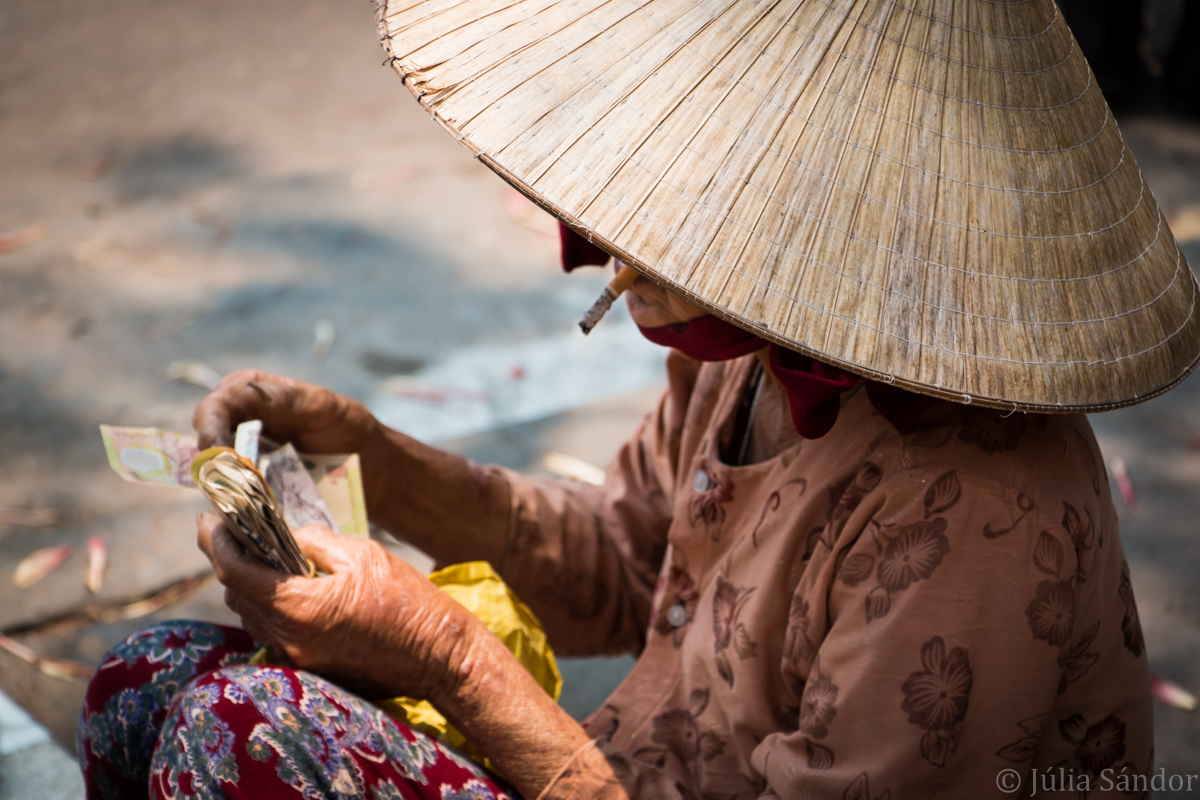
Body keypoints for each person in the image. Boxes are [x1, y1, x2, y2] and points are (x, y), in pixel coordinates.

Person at [78, 0, 1199, 797]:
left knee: (247, 733)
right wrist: (368, 453)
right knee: (143, 682)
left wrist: (445, 656)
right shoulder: (744, 358)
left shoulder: (980, 512)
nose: (615, 239)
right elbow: (619, 566)